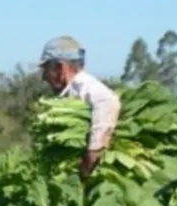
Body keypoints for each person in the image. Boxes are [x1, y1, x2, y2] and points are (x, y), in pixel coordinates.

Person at [38, 36, 122, 182]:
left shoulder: (85, 87)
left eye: (46, 70)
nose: (44, 77)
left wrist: (91, 157)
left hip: (95, 177)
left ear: (60, 68)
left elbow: (109, 102)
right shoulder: (70, 92)